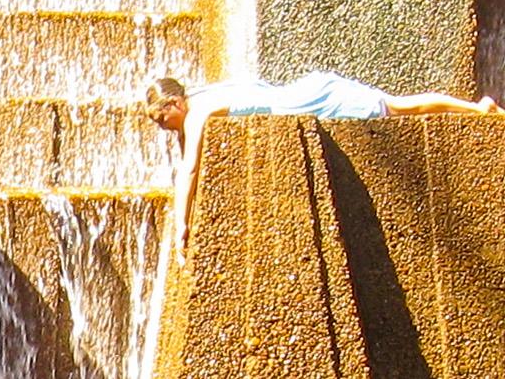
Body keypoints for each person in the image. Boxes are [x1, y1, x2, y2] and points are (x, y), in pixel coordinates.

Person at [145, 72, 498, 253]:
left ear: (176, 104)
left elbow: (189, 169)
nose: (163, 128)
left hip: (316, 102)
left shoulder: (195, 115)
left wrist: (181, 226)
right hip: (309, 91)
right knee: (399, 104)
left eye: (162, 120)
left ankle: (477, 108)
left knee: (398, 107)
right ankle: (476, 107)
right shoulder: (201, 98)